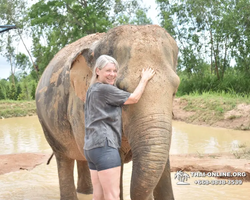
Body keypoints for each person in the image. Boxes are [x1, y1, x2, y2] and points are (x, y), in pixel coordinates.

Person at [84, 55, 155, 200]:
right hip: (105, 147)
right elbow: (134, 98)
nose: (112, 74)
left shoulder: (92, 90)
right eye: (108, 70)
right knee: (113, 195)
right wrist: (144, 79)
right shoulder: (105, 90)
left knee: (98, 194)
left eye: (115, 71)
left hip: (91, 148)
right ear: (97, 71)